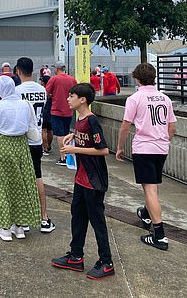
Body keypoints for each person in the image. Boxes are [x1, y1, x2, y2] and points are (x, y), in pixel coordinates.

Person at [51, 83, 114, 280]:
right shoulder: (79, 118)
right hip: (81, 179)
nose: (68, 99)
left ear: (83, 99)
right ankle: (76, 256)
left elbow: (103, 150)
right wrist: (74, 136)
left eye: (72, 96)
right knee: (77, 216)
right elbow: (85, 139)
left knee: (97, 221)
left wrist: (75, 150)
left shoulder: (92, 121)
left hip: (94, 180)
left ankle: (107, 262)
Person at [116, 63, 176, 251]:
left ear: (137, 78)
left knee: (149, 188)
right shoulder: (165, 98)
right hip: (161, 147)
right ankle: (146, 212)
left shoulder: (135, 98)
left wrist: (119, 147)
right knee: (152, 185)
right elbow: (171, 125)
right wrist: (165, 140)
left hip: (144, 147)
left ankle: (159, 235)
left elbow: (126, 125)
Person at [0, 75, 41, 241]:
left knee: (4, 187)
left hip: (3, 145)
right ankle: (20, 226)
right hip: (21, 146)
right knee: (21, 186)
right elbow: (32, 126)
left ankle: (5, 228)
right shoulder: (25, 104)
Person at [15, 57, 55, 234]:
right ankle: (44, 218)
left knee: (20, 179)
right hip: (36, 139)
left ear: (18, 70)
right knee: (37, 176)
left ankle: (22, 220)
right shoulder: (41, 90)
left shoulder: (16, 91)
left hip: (21, 139)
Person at [45, 61, 77, 166]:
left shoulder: (53, 79)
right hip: (69, 110)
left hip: (56, 110)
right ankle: (68, 155)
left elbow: (47, 92)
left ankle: (63, 156)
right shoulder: (72, 79)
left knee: (59, 134)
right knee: (66, 133)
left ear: (56, 69)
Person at [40, 75, 53, 156]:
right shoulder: (52, 92)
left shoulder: (43, 91)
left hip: (44, 112)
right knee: (50, 131)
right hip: (52, 112)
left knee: (43, 130)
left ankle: (44, 148)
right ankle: (49, 146)